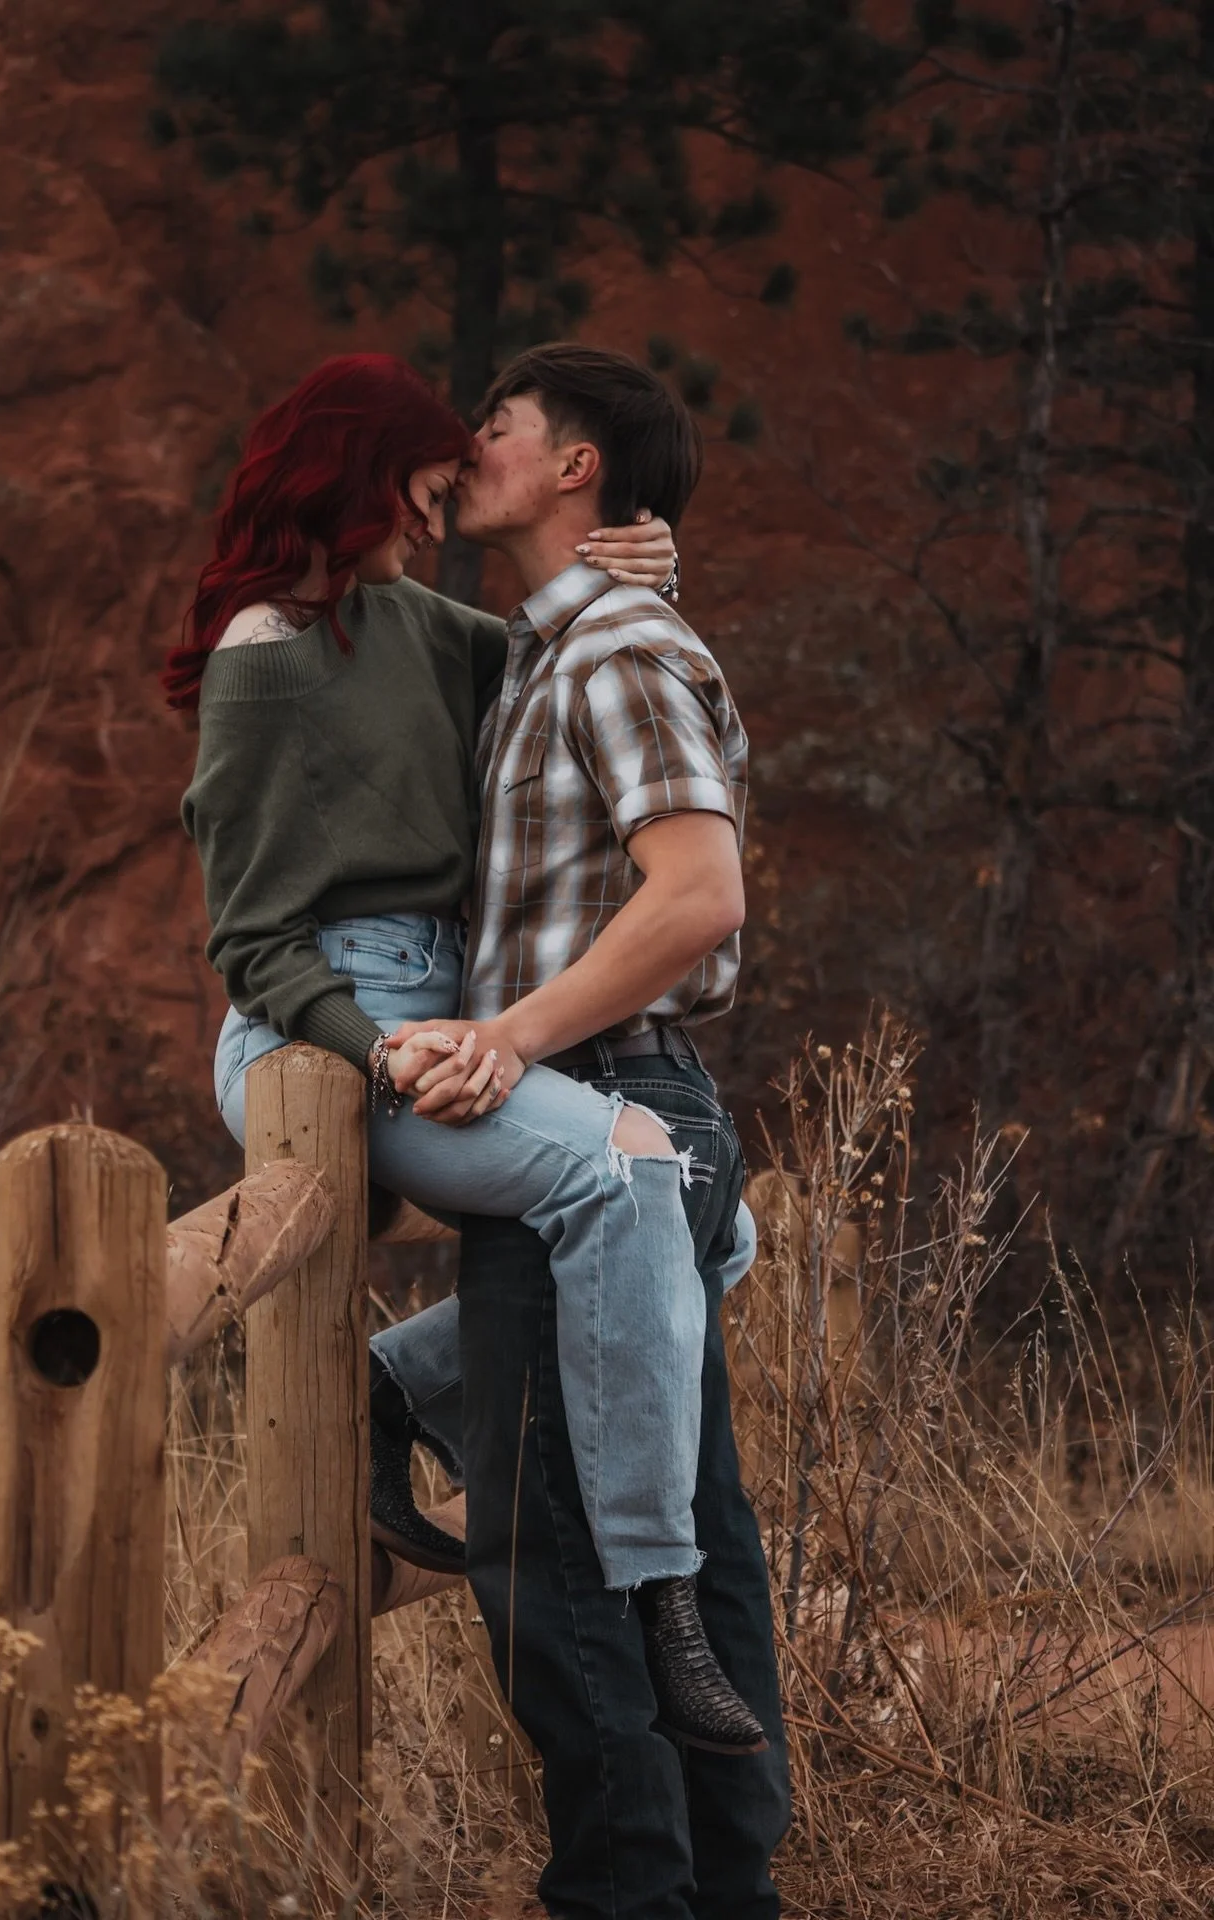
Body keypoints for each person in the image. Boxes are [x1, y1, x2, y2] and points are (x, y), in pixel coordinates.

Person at [173, 353, 765, 1754]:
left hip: (441, 1006)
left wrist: (648, 570)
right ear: (353, 476)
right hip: (321, 1028)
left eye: (456, 487)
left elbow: (585, 669)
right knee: (631, 1186)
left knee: (713, 1229)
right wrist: (380, 1057)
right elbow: (252, 942)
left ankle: (399, 1384)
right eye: (424, 491)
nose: (437, 519)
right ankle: (657, 1587)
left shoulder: (419, 626)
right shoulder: (265, 653)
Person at [373, 344, 789, 1918]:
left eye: (498, 425)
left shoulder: (612, 647)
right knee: (683, 1534)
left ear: (575, 468)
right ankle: (724, 1893)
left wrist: (505, 1042)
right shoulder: (557, 644)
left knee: (558, 1559)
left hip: (603, 1109)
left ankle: (631, 1897)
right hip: (628, 1105)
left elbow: (700, 897)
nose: (466, 441)